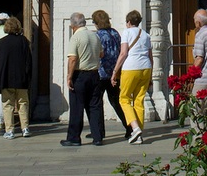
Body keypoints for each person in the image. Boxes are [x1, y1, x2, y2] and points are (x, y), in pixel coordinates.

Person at [60, 11, 104, 147]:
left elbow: (72, 58)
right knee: (94, 105)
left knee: (77, 106)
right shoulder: (94, 36)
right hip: (94, 74)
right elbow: (101, 54)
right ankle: (97, 137)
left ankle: (74, 137)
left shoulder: (76, 37)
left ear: (73, 25)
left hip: (80, 75)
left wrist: (69, 76)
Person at [112, 9, 152, 144]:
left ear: (128, 22)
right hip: (146, 67)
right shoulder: (146, 35)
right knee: (139, 100)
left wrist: (115, 71)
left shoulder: (127, 32)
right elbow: (150, 56)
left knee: (124, 99)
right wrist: (151, 75)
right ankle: (138, 134)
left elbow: (123, 53)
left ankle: (135, 128)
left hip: (131, 67)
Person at [0, 16, 33, 139]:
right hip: (21, 79)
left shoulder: (2, 42)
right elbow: (28, 61)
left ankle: (10, 130)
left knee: (7, 105)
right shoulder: (23, 41)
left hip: (6, 79)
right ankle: (25, 128)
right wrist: (28, 76)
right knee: (23, 103)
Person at [92, 10, 129, 139]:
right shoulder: (115, 33)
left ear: (96, 23)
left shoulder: (98, 36)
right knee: (116, 101)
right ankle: (129, 127)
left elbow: (97, 53)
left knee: (97, 102)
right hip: (115, 72)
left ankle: (99, 132)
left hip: (101, 72)